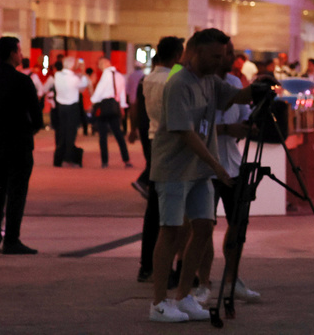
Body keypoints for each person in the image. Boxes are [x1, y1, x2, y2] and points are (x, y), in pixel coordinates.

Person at [148, 29, 259, 323]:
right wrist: (216, 164)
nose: (220, 62)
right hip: (174, 169)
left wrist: (261, 89)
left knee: (204, 227)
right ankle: (159, 303)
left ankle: (184, 296)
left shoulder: (211, 81)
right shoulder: (179, 83)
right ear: (194, 52)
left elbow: (235, 97)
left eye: (223, 56)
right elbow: (185, 132)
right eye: (215, 56)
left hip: (200, 171)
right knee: (170, 231)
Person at [0, 36, 44, 255]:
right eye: (19, 51)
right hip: (19, 146)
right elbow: (38, 119)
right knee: (16, 193)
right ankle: (11, 240)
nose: (21, 55)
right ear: (13, 53)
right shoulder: (22, 82)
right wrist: (25, 130)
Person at [212, 41, 260, 304]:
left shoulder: (234, 81)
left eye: (231, 52)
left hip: (232, 164)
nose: (231, 58)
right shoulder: (196, 83)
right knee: (200, 226)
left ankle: (232, 279)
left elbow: (244, 115)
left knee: (238, 224)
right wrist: (225, 130)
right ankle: (200, 282)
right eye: (225, 53)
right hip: (205, 168)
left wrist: (246, 127)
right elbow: (187, 128)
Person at [134, 37, 183, 283]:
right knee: (170, 211)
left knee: (154, 208)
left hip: (154, 140)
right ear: (177, 55)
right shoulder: (172, 80)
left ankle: (146, 265)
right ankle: (165, 268)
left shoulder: (149, 78)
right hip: (170, 143)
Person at [90, 58, 132, 169]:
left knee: (103, 135)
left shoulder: (106, 74)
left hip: (104, 106)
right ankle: (126, 159)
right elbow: (122, 92)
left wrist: (93, 100)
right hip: (114, 106)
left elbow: (99, 90)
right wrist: (122, 106)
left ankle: (105, 161)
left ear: (104, 64)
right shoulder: (119, 75)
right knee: (118, 134)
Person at [43, 57, 84, 166]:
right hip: (72, 107)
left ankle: (59, 158)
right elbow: (83, 86)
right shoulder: (74, 78)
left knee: (62, 132)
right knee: (71, 133)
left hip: (61, 107)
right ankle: (69, 157)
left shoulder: (57, 76)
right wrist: (82, 71)